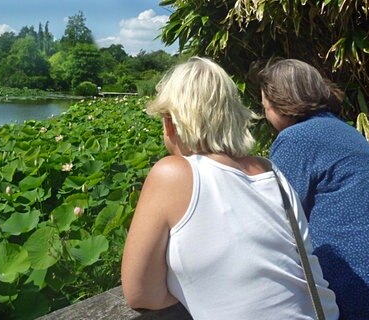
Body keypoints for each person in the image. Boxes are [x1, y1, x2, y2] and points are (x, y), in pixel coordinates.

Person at [121, 56, 339, 320]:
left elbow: (141, 294)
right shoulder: (273, 173)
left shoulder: (171, 173)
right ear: (235, 115)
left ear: (170, 122)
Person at [258, 58, 369, 320]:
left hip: (356, 275)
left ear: (280, 104)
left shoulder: (296, 139)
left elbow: (276, 216)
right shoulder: (341, 128)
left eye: (266, 105)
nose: (265, 113)